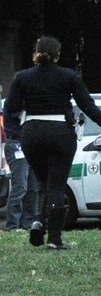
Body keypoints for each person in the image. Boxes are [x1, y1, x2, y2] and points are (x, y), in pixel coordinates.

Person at [2, 37, 101, 249]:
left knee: (41, 179)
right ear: (57, 54)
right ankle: (54, 238)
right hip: (60, 132)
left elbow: (10, 107)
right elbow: (87, 105)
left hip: (31, 133)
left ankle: (38, 219)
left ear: (36, 52)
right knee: (56, 183)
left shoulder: (22, 77)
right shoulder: (68, 76)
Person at [3, 96, 36, 231]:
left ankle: (27, 224)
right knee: (20, 187)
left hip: (29, 144)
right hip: (16, 144)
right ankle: (12, 225)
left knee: (32, 188)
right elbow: (25, 118)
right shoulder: (13, 101)